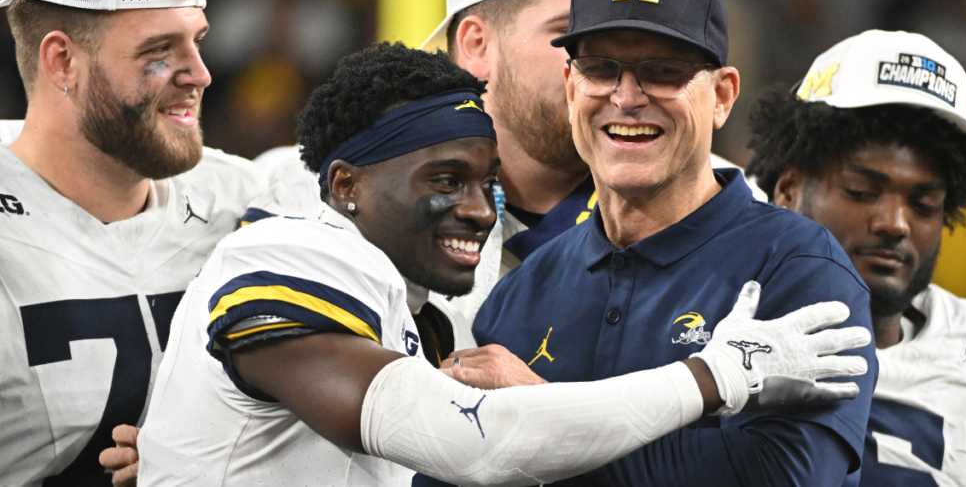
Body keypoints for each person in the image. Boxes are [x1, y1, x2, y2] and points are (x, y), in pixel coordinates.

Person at [137, 42, 870, 486]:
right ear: (345, 185)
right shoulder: (292, 253)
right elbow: (474, 443)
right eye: (445, 181)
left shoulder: (423, 317)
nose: (484, 211)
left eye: (488, 183)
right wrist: (713, 375)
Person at [470, 0, 877, 486]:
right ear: (572, 88)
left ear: (723, 96)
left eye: (664, 72)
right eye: (600, 69)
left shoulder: (802, 270)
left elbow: (782, 476)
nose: (627, 97)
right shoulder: (518, 294)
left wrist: (536, 418)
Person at [247, 0, 765, 320]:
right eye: (573, 37)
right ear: (476, 45)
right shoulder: (315, 189)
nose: (612, 74)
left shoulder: (727, 206)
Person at [0, 0, 265, 486]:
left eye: (198, 41)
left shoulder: (246, 200)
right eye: (159, 50)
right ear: (61, 62)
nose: (200, 74)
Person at [746, 29, 966, 486]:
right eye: (862, 192)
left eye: (924, 205)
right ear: (788, 190)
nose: (895, 223)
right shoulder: (706, 315)